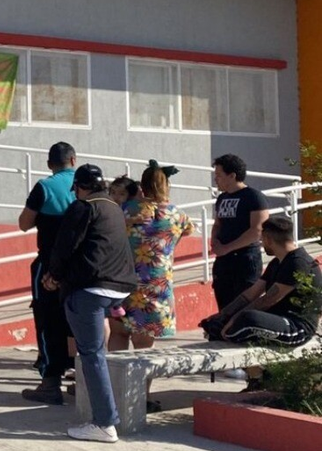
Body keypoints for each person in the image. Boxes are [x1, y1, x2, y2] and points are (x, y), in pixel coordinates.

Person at [44, 164, 138, 443]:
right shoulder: (112, 207)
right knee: (97, 352)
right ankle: (105, 416)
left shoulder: (83, 207)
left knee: (92, 355)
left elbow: (65, 245)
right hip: (119, 286)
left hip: (90, 289)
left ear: (80, 188)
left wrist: (53, 276)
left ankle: (104, 422)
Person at [200, 215, 321, 389]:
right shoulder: (277, 263)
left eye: (262, 239)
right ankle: (258, 377)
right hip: (279, 320)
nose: (262, 244)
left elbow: (268, 300)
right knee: (218, 326)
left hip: (298, 326)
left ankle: (262, 377)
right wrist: (222, 315)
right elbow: (251, 294)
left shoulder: (298, 263)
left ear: (268, 239)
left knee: (247, 321)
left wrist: (234, 319)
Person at [110, 161, 194, 352]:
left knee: (118, 334)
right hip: (156, 284)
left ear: (142, 186)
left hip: (123, 280)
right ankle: (140, 383)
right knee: (143, 347)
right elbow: (187, 231)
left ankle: (115, 382)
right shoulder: (177, 215)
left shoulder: (125, 209)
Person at [17, 142, 77, 404]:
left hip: (50, 265)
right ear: (73, 160)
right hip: (83, 266)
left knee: (48, 320)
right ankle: (84, 379)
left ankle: (50, 381)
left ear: (50, 164)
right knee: (80, 321)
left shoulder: (44, 187)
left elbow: (24, 224)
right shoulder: (90, 186)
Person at [211, 153, 270, 309]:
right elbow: (217, 224)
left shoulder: (253, 197)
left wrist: (227, 248)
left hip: (245, 261)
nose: (216, 179)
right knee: (224, 307)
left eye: (219, 175)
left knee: (242, 309)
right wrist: (215, 241)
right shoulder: (222, 198)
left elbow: (257, 230)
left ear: (232, 176)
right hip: (223, 263)